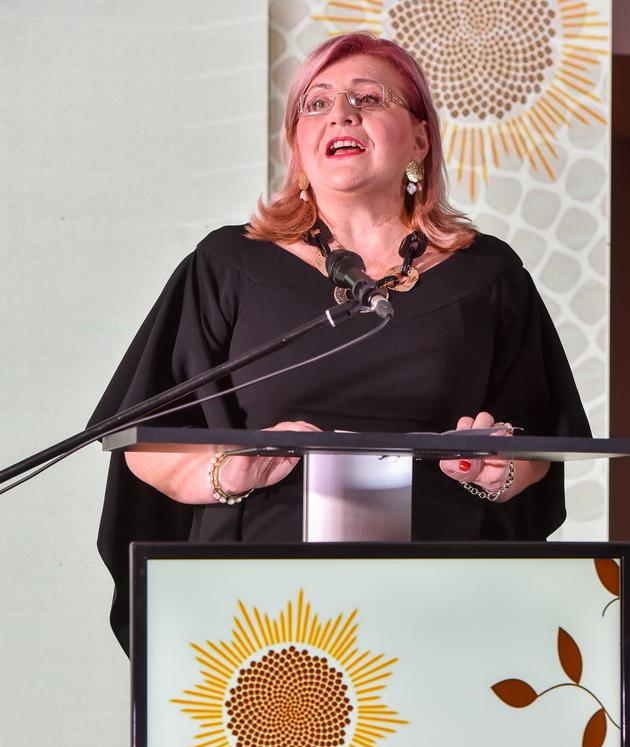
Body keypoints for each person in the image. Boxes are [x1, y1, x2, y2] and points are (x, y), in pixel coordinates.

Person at [90, 32, 591, 654]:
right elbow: (144, 439)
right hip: (256, 606)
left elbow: (538, 445)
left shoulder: (488, 275)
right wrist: (227, 471)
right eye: (316, 103)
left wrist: (499, 468)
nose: (341, 114)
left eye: (368, 98)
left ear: (420, 137)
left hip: (443, 598)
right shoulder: (228, 264)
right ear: (298, 145)